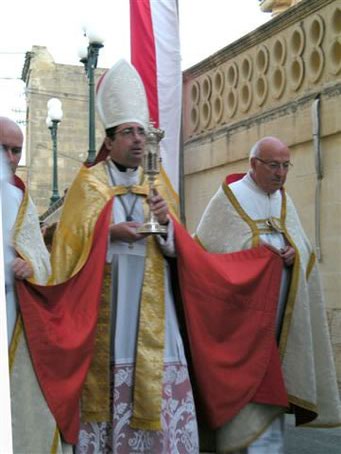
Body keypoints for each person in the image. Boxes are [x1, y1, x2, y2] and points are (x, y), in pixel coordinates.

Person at [31, 59, 198, 453]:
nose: (139, 139)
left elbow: (181, 249)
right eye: (128, 132)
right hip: (107, 304)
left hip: (155, 306)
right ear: (109, 141)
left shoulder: (156, 182)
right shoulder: (88, 184)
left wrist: (166, 225)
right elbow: (68, 248)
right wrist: (108, 235)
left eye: (142, 131)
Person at [193, 136, 341, 453]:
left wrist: (293, 253)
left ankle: (267, 447)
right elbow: (209, 256)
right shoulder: (229, 199)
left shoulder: (283, 201)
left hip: (279, 321)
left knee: (272, 393)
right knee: (246, 394)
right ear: (253, 164)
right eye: (274, 165)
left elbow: (305, 247)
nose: (281, 174)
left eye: (286, 166)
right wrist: (254, 253)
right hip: (241, 327)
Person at [0, 116, 71, 453]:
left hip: (14, 315)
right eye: (4, 149)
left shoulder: (20, 196)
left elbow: (44, 260)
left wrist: (31, 266)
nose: (11, 158)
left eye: (17, 151)